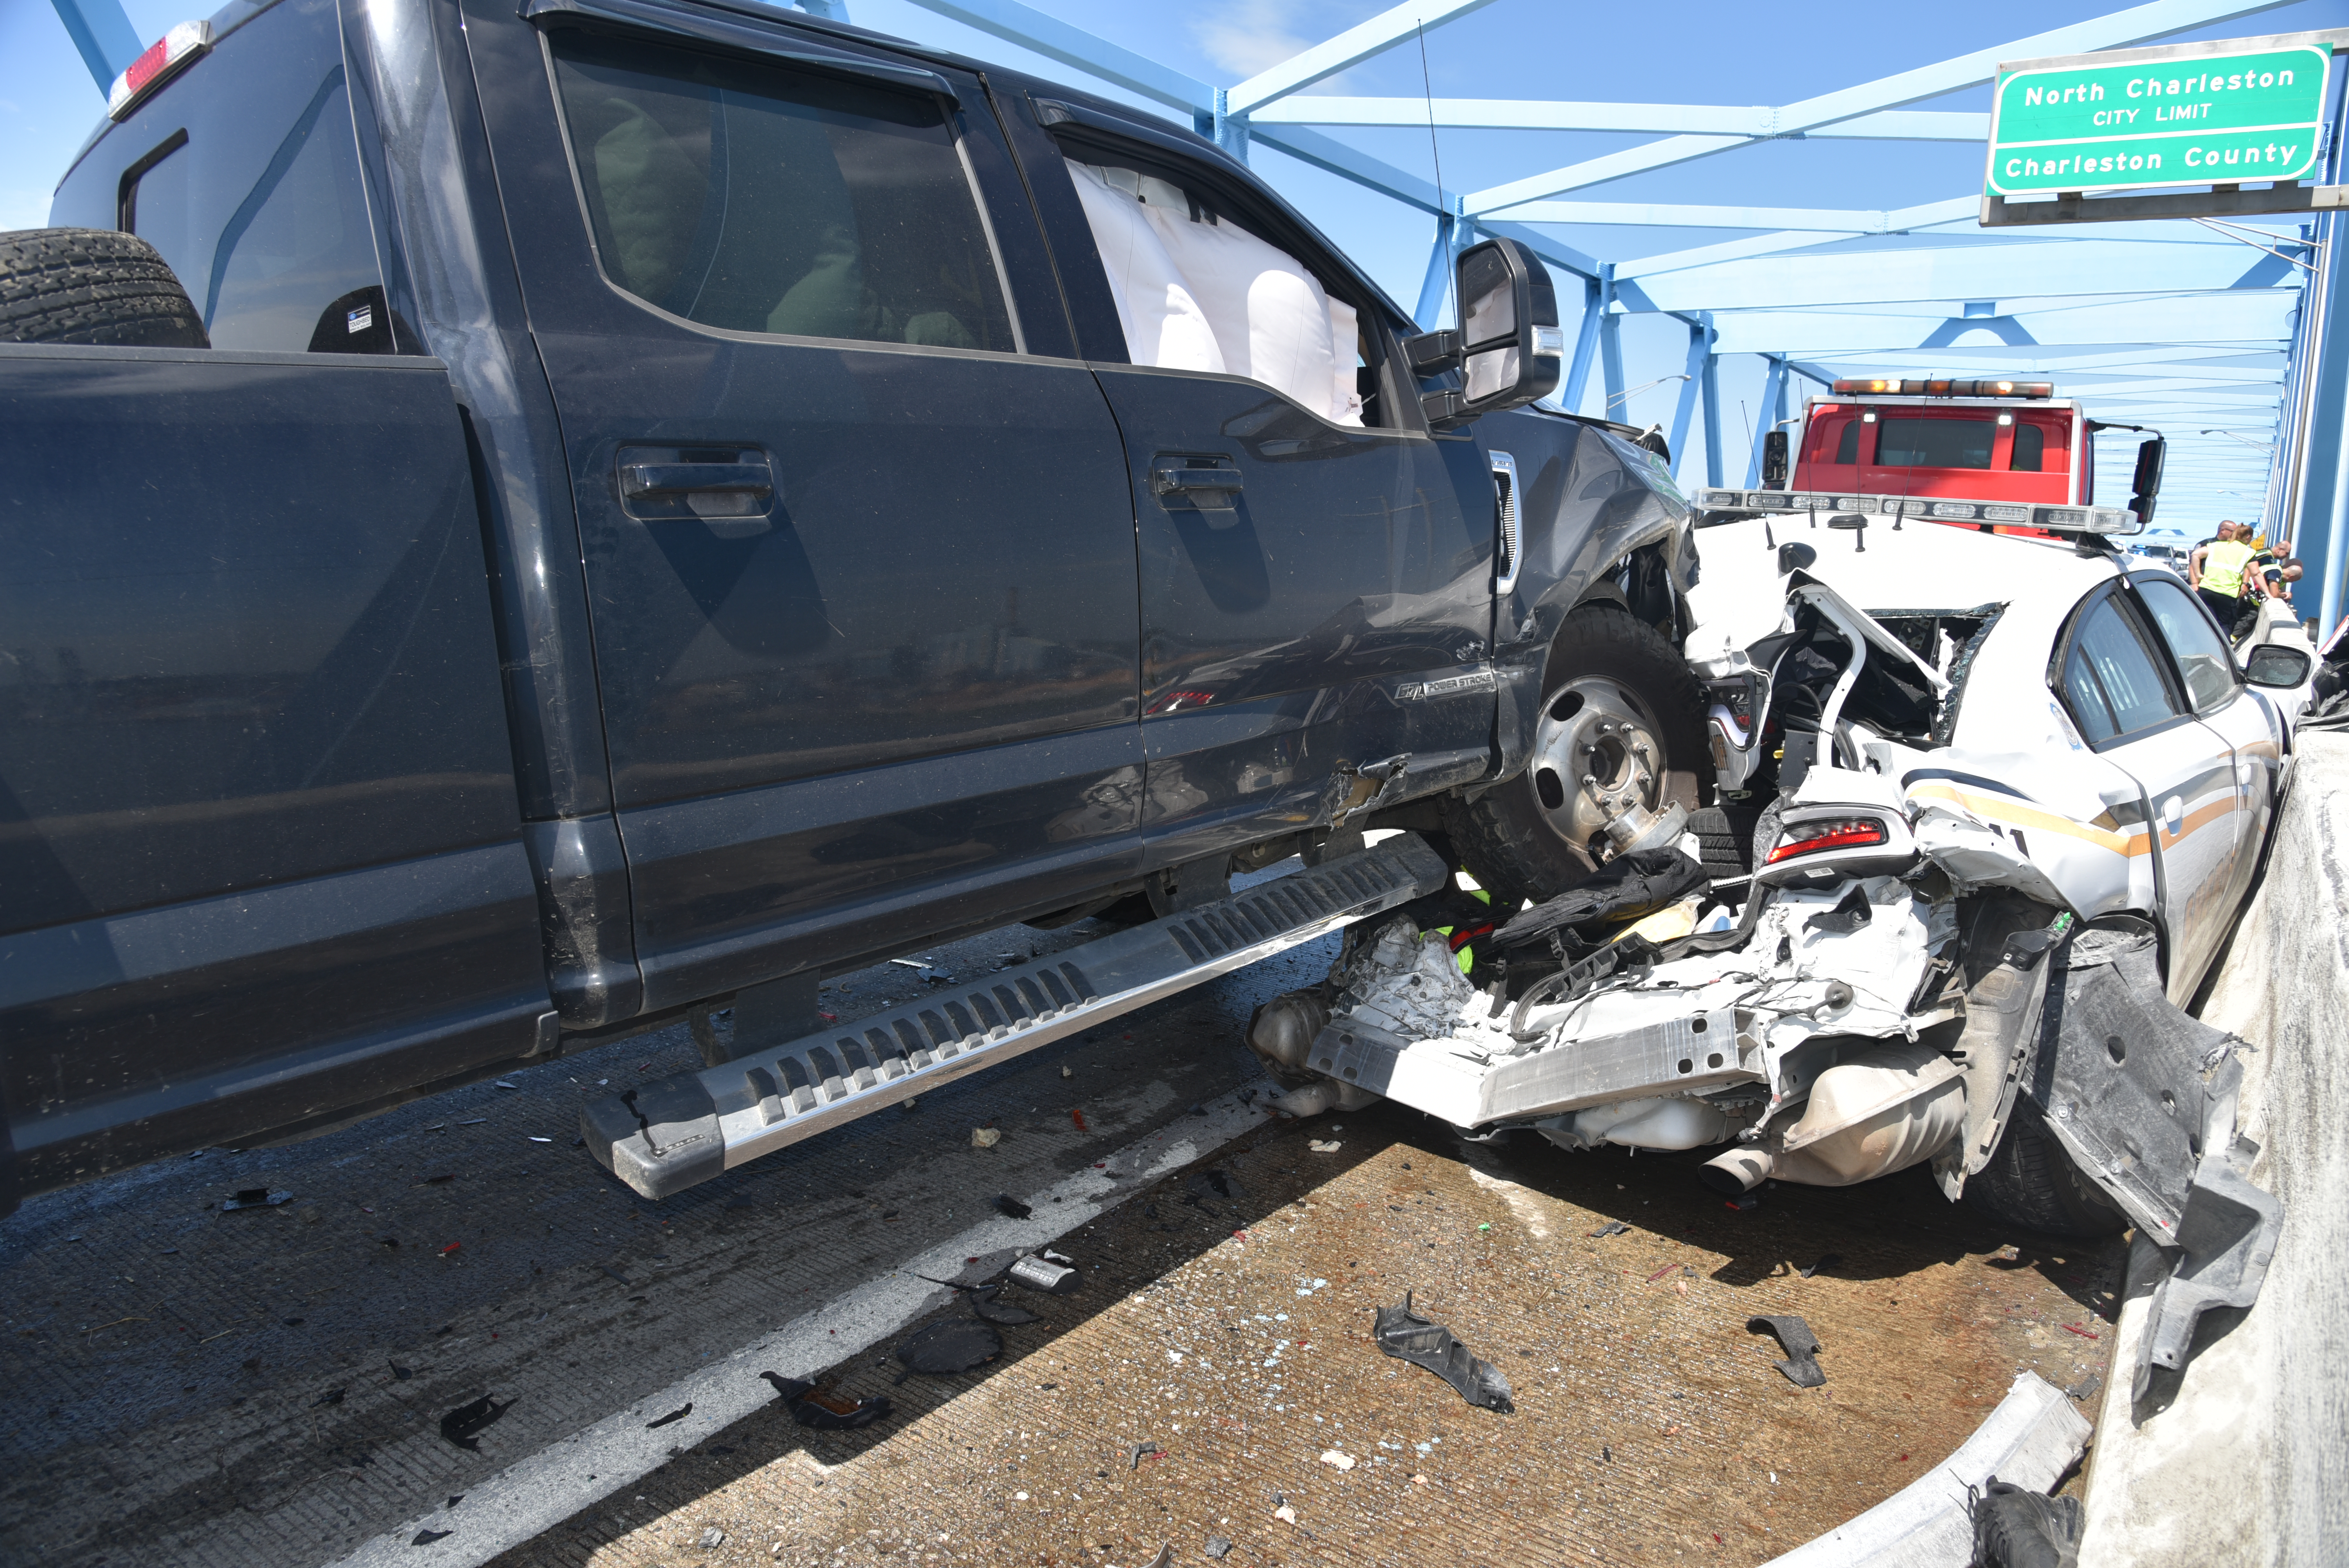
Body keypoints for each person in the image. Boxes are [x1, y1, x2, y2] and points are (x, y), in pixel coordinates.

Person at [2188, 521, 2255, 627]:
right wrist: (2195, 583)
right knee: (2200, 620)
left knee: (2222, 623)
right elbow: (2193, 564)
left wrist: (2245, 583)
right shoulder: (2208, 544)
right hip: (2204, 588)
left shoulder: (2238, 548)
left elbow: (2247, 566)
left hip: (2226, 591)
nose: (2237, 534)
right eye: (2234, 531)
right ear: (2223, 531)